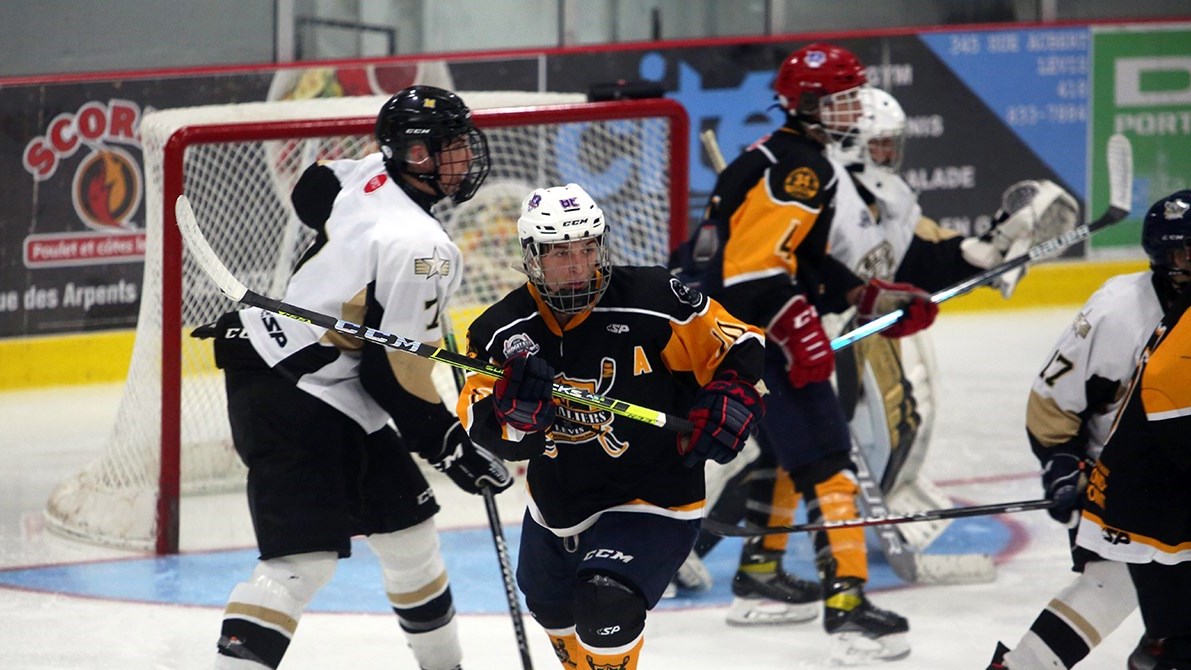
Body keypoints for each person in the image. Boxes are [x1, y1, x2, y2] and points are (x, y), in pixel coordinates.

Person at [200, 85, 512, 670]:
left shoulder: (368, 171)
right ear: (413, 156)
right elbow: (390, 374)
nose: (464, 158)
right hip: (290, 390)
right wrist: (451, 448)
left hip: (322, 382)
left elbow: (310, 191)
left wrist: (350, 274)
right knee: (301, 562)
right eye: (446, 148)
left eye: (462, 144)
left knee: (409, 536)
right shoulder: (422, 247)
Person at [672, 43, 944, 659]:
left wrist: (869, 295)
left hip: (731, 333)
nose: (853, 110)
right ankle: (848, 612)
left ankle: (760, 580)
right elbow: (753, 272)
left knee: (785, 456)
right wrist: (798, 331)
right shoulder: (803, 168)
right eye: (842, 100)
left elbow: (798, 260)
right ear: (810, 105)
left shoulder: (782, 155)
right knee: (829, 462)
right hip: (758, 338)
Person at [455, 182, 767, 670]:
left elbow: (739, 342)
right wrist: (515, 416)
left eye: (586, 249)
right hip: (557, 504)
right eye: (560, 253)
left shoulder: (655, 298)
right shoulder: (499, 331)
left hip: (654, 496)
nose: (578, 265)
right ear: (532, 256)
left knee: (607, 603)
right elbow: (483, 424)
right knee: (551, 606)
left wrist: (734, 391)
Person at [988, 190, 1191, 669]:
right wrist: (1061, 463)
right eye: (1186, 252)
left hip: (1174, 473)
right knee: (1114, 584)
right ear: (1163, 257)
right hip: (1121, 479)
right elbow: (1052, 401)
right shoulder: (1119, 311)